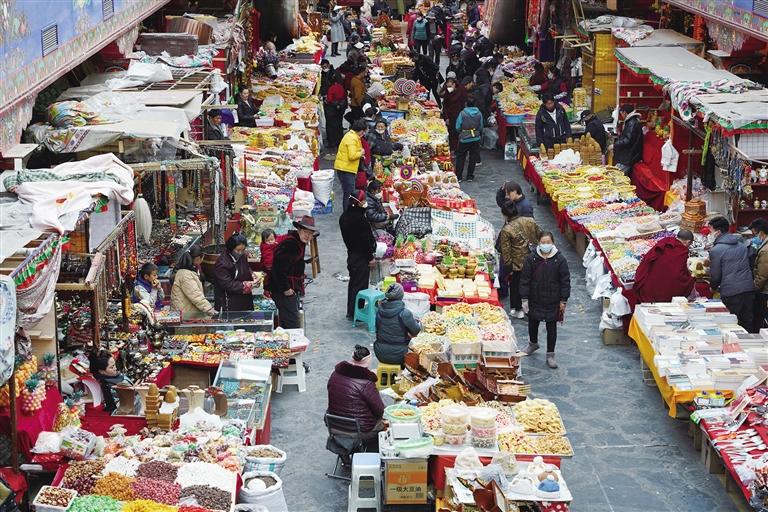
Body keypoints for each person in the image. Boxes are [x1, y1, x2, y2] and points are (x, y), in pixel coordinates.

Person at [520, 232, 571, 369]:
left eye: (548, 242)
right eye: (543, 242)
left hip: (553, 299)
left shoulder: (560, 260)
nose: (545, 245)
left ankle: (550, 354)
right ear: (538, 243)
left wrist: (563, 300)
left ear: (553, 243)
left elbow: (565, 281)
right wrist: (524, 298)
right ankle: (533, 344)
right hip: (535, 297)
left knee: (551, 327)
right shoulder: (531, 258)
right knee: (533, 322)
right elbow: (525, 279)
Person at [326, 345, 386, 445]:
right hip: (359, 430)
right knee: (385, 419)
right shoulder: (366, 383)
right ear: (368, 362)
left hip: (333, 425)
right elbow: (380, 411)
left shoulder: (334, 374)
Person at [269, 216, 318, 328]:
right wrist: (286, 289)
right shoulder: (291, 244)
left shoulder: (298, 242)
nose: (307, 236)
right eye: (305, 232)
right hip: (283, 290)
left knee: (288, 320)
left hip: (288, 288)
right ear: (299, 230)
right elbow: (278, 269)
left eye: (310, 234)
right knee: (292, 323)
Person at [708, 216, 756, 331]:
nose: (710, 234)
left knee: (731, 325)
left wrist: (713, 287)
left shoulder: (717, 250)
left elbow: (716, 275)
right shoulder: (741, 244)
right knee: (746, 323)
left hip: (731, 291)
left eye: (711, 231)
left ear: (718, 232)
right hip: (748, 288)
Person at [499, 201, 543, 319]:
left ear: (504, 215)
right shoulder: (529, 221)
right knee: (531, 284)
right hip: (534, 260)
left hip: (517, 264)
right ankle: (532, 307)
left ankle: (518, 309)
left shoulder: (506, 230)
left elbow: (506, 252)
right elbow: (541, 235)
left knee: (516, 286)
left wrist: (508, 268)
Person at [340, 191, 377, 320]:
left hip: (352, 255)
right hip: (361, 257)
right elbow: (363, 241)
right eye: (364, 200)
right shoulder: (359, 220)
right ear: (358, 203)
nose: (365, 203)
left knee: (354, 284)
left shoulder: (344, 217)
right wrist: (370, 257)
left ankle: (352, 311)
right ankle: (356, 313)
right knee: (360, 286)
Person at [633, 230, 695, 304]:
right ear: (688, 242)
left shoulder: (665, 242)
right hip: (662, 290)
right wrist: (690, 280)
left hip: (648, 285)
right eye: (689, 244)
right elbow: (677, 274)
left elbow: (647, 259)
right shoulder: (682, 250)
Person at [374, 283, 421, 365]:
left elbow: (378, 329)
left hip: (380, 353)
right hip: (400, 355)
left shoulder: (379, 311)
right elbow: (416, 331)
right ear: (401, 296)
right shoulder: (405, 313)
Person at [214, 234, 259, 312]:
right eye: (238, 250)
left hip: (244, 298)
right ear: (231, 249)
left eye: (243, 250)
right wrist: (246, 285)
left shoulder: (242, 255)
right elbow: (228, 284)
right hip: (229, 301)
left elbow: (246, 267)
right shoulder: (222, 263)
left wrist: (252, 275)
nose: (240, 253)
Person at [171, 246, 216, 319]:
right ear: (198, 258)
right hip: (185, 314)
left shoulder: (190, 271)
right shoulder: (185, 274)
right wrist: (209, 309)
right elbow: (195, 294)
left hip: (187, 312)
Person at [335, 120, 367, 212]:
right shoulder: (352, 138)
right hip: (346, 169)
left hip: (347, 168)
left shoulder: (352, 136)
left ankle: (348, 212)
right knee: (349, 193)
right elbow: (352, 156)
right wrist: (361, 153)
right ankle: (347, 213)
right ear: (361, 130)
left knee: (348, 192)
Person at [454, 97, 483, 182]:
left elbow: (458, 126)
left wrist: (461, 132)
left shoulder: (462, 113)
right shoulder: (479, 113)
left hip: (464, 139)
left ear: (466, 104)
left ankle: (459, 176)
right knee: (473, 157)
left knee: (461, 157)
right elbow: (481, 126)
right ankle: (470, 176)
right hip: (475, 138)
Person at [612, 104, 643, 176]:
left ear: (624, 112)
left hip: (629, 155)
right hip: (630, 153)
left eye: (621, 113)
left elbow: (628, 140)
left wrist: (615, 144)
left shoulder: (632, 123)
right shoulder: (632, 121)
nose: (621, 116)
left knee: (617, 175)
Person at [440, 75, 468, 151]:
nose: (449, 88)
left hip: (459, 115)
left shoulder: (461, 91)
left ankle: (457, 149)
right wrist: (446, 117)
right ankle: (452, 149)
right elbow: (445, 105)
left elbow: (464, 103)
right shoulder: (447, 92)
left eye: (450, 86)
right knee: (451, 133)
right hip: (450, 116)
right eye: (448, 86)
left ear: (454, 84)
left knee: (457, 132)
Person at [752, 218, 768, 332]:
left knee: (759, 317)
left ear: (761, 232)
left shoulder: (765, 250)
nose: (754, 237)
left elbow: (762, 275)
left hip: (764, 290)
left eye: (755, 234)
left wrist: (755, 288)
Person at [324, 72, 347, 151]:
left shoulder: (332, 88)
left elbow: (329, 99)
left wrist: (326, 100)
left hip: (332, 110)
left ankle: (332, 142)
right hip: (339, 109)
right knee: (338, 125)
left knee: (331, 126)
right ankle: (338, 141)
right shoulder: (341, 87)